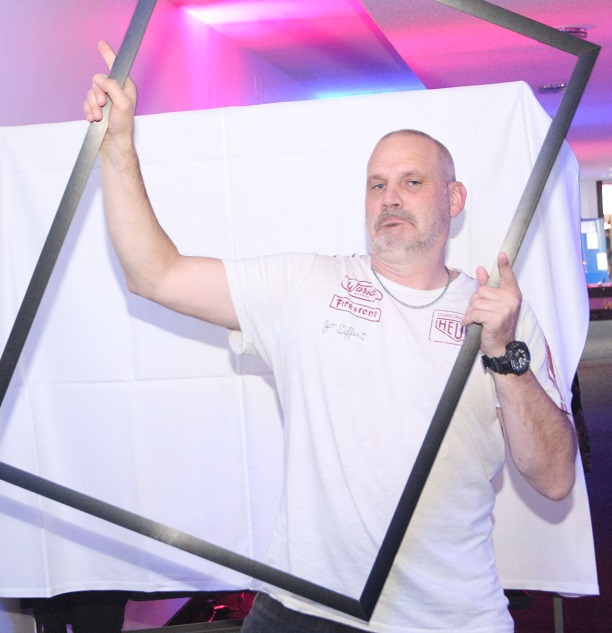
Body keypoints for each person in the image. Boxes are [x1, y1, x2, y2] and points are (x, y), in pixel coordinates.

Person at [84, 40, 577, 632]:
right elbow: (155, 274)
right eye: (376, 184)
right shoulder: (306, 286)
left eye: (412, 181)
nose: (390, 197)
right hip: (299, 610)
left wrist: (504, 359)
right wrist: (118, 148)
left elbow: (554, 478)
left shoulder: (499, 317)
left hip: (444, 618)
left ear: (454, 198)